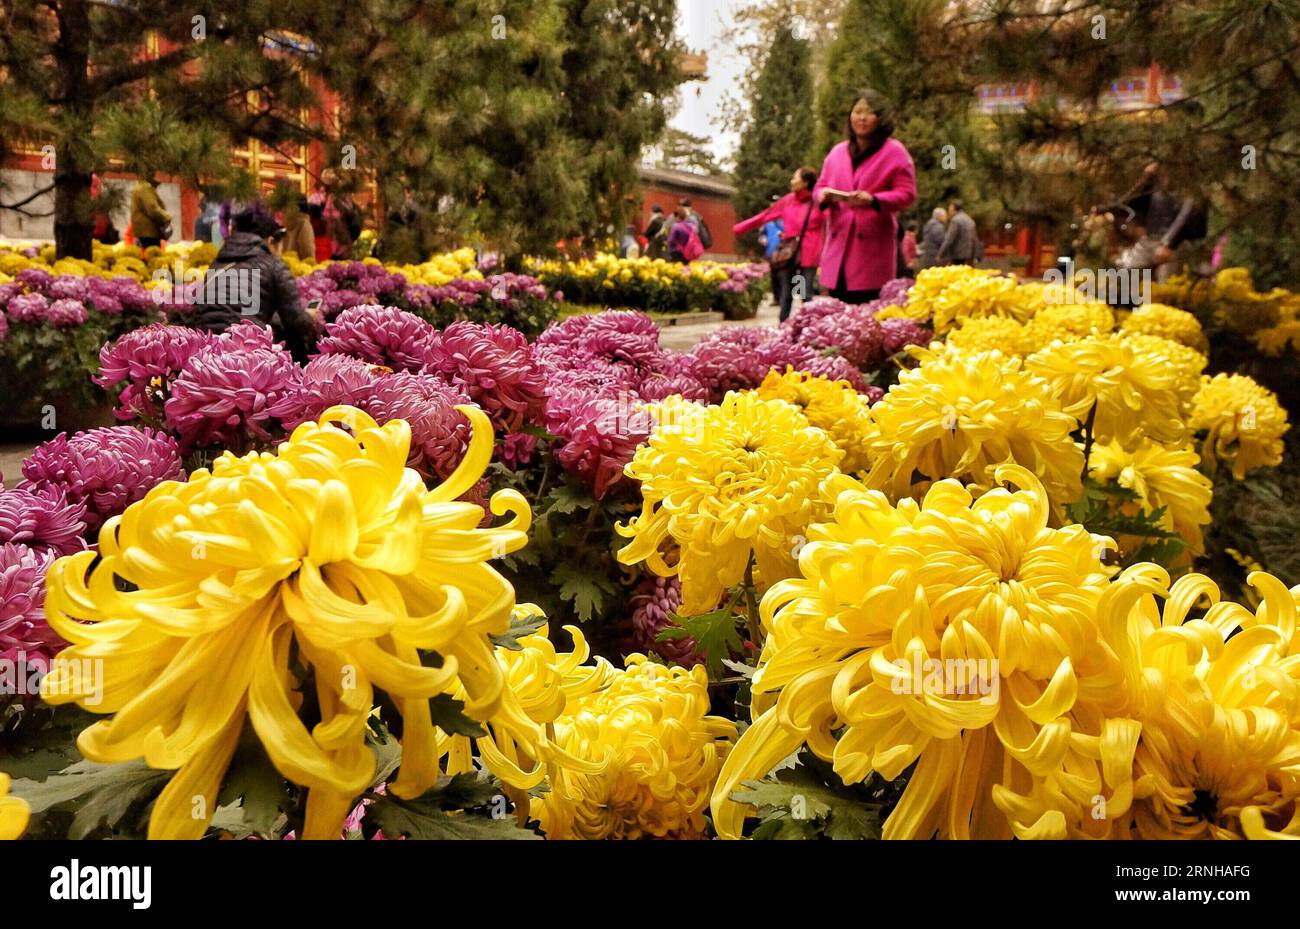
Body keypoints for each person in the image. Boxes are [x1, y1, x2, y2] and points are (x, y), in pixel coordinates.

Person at [814, 89, 917, 303]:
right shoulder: (837, 152)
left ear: (880, 119)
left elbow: (907, 194)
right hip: (838, 244)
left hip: (872, 249)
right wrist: (823, 195)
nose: (862, 118)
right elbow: (820, 185)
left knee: (867, 311)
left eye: (869, 113)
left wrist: (874, 199)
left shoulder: (895, 152)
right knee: (837, 314)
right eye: (857, 111)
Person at [191, 207, 318, 361]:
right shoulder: (273, 264)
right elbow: (295, 320)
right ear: (271, 241)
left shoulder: (217, 263)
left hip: (206, 351)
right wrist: (310, 318)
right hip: (247, 353)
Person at [734, 167, 825, 321]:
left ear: (805, 182)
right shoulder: (788, 200)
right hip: (788, 254)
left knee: (804, 293)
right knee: (786, 293)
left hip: (807, 255)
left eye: (795, 178)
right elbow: (766, 215)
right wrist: (742, 227)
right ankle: (783, 328)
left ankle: (809, 328)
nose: (792, 181)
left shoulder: (817, 202)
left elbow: (831, 221)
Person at [1116, 161, 1207, 282]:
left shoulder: (1192, 187)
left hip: (1178, 244)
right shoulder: (1157, 183)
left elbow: (1187, 215)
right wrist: (1146, 179)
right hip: (1150, 239)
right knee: (1125, 274)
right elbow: (1130, 203)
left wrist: (1170, 245)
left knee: (1167, 283)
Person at [130, 174, 172, 250]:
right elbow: (152, 209)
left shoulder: (139, 187)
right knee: (153, 257)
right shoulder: (144, 188)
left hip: (144, 232)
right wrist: (167, 217)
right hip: (148, 232)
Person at [936, 199, 980, 266]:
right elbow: (975, 239)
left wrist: (940, 254)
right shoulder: (970, 220)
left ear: (953, 208)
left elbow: (949, 239)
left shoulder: (955, 220)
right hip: (969, 255)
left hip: (958, 255)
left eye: (950, 207)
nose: (949, 210)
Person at [281, 194, 316, 263]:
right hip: (300, 269)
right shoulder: (304, 224)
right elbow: (307, 250)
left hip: (286, 266)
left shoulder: (286, 222)